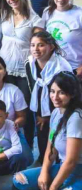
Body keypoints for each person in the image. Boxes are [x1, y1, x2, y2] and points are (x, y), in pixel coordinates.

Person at [12, 73, 82, 190]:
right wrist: (44, 171)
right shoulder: (57, 112)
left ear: (72, 94)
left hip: (78, 172)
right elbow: (51, 145)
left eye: (61, 92)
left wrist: (53, 187)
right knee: (19, 179)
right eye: (52, 91)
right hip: (65, 168)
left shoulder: (77, 117)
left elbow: (71, 161)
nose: (55, 97)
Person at [0, 0, 45, 148]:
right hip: (5, 69)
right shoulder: (5, 14)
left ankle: (28, 145)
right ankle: (10, 143)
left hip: (24, 72)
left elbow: (40, 48)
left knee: (25, 109)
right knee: (7, 106)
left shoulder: (35, 20)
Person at [25, 31, 72, 164]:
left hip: (63, 108)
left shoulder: (61, 68)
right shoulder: (30, 63)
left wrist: (49, 115)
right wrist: (41, 114)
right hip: (42, 109)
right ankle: (43, 161)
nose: (36, 49)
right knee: (42, 134)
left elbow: (65, 97)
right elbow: (37, 89)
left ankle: (59, 164)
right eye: (33, 45)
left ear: (51, 47)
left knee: (59, 138)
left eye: (41, 45)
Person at [43, 0, 82, 76]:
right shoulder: (47, 12)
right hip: (53, 68)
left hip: (75, 70)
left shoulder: (79, 14)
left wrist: (81, 69)